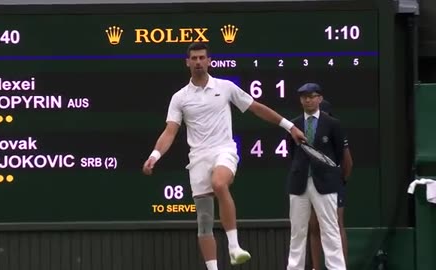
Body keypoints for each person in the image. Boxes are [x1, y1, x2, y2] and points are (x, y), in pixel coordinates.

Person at [142, 42, 307, 270]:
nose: (198, 62)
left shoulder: (226, 87)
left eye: (202, 58)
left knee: (219, 183)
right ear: (187, 62)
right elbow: (170, 131)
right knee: (204, 222)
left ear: (209, 61)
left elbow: (257, 108)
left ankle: (234, 247)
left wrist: (290, 127)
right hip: (198, 158)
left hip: (224, 150)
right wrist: (155, 155)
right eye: (194, 58)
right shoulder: (179, 98)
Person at [285, 83, 347, 270]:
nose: (308, 100)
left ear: (320, 98)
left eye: (311, 96)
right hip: (299, 182)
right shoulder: (294, 124)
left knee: (330, 229)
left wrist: (332, 175)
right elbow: (291, 152)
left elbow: (338, 154)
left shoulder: (332, 124)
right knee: (298, 231)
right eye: (304, 97)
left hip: (326, 183)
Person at [308, 99, 353, 270]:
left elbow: (348, 162)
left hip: (333, 186)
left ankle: (341, 266)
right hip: (312, 185)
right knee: (314, 226)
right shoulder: (307, 131)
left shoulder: (336, 130)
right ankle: (316, 267)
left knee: (336, 225)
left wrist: (340, 182)